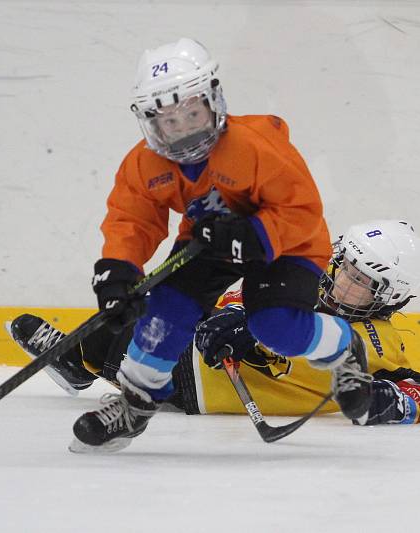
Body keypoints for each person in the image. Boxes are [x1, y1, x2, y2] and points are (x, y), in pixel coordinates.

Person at [65, 37, 368, 452]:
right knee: (163, 311)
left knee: (274, 326)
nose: (185, 128)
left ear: (212, 102)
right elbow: (131, 218)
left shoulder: (257, 146)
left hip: (285, 244)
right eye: (171, 122)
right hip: (207, 241)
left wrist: (251, 236)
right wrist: (118, 271)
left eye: (192, 113)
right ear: (151, 122)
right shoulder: (144, 163)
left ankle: (342, 346)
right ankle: (135, 404)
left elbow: (301, 211)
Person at [9, 219, 420, 433]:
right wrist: (235, 315)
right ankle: (78, 363)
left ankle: (82, 362)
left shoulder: (378, 338)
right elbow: (249, 295)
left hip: (201, 386)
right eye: (345, 266)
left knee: (130, 342)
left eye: (361, 282)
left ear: (389, 297)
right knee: (143, 308)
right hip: (205, 362)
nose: (343, 281)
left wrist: (388, 402)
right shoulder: (307, 286)